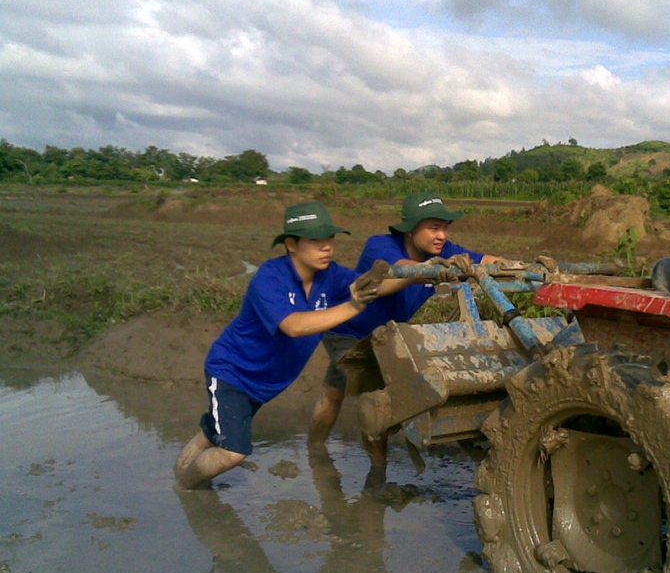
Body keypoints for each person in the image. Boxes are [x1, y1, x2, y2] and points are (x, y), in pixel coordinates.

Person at [174, 202, 409, 490]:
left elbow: (370, 286)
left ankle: (181, 470)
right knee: (233, 452)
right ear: (291, 244)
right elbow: (293, 326)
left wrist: (424, 271)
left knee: (215, 433)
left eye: (330, 239)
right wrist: (354, 305)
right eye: (316, 241)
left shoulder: (331, 276)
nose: (327, 247)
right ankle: (185, 490)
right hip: (233, 374)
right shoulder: (270, 278)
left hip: (264, 382)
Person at [308, 192, 502, 477]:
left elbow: (485, 261)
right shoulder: (380, 245)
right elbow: (397, 272)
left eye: (446, 228)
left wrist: (525, 265)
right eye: (434, 228)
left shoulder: (443, 251)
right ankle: (368, 469)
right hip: (348, 330)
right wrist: (429, 268)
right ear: (410, 229)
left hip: (385, 333)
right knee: (372, 395)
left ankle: (320, 448)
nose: (442, 235)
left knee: (334, 391)